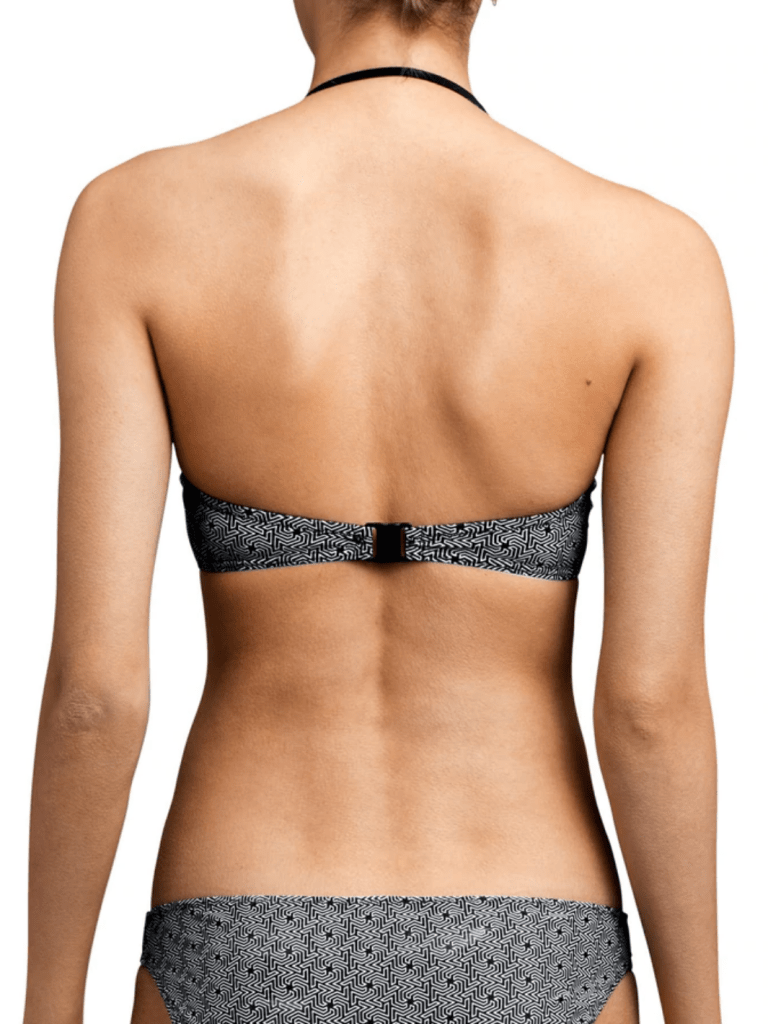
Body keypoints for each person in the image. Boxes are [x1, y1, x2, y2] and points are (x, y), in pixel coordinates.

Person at [23, 1, 733, 1022]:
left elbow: (94, 695)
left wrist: (46, 1007)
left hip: (239, 934)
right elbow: (650, 707)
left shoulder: (135, 222)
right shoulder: (655, 259)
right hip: (535, 944)